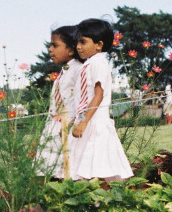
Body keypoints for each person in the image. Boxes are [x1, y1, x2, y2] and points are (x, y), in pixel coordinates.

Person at [70, 19, 134, 185]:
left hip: (95, 124)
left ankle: (102, 204)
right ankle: (94, 205)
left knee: (98, 169)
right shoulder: (88, 65)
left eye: (83, 42)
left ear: (99, 45)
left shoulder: (99, 63)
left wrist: (84, 122)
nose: (78, 46)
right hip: (87, 122)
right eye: (77, 42)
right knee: (88, 168)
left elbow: (98, 95)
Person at [34, 25, 82, 180]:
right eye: (50, 45)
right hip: (54, 128)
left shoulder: (78, 70)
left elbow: (82, 102)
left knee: (67, 172)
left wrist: (72, 124)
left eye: (55, 45)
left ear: (71, 49)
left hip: (68, 129)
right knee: (47, 172)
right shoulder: (64, 72)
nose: (50, 50)